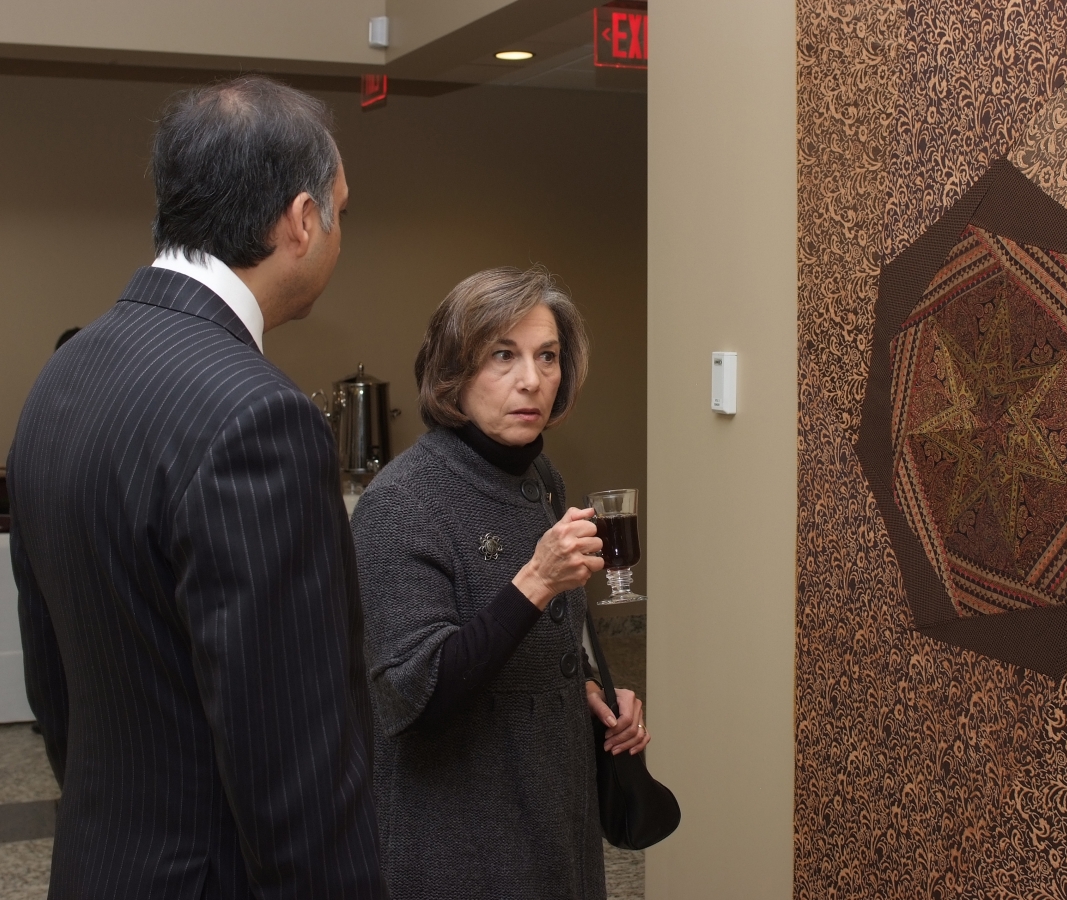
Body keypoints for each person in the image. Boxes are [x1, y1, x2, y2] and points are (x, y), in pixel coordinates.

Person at [7, 76, 385, 898]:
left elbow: (56, 689)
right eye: (341, 211)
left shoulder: (65, 372)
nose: (338, 232)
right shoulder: (259, 417)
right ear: (301, 220)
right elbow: (295, 767)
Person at [351, 266, 651, 899]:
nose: (532, 380)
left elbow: (543, 646)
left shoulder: (542, 478)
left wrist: (593, 693)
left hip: (553, 819)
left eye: (548, 357)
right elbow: (415, 695)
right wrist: (535, 583)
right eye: (503, 356)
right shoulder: (403, 502)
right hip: (461, 844)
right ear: (453, 375)